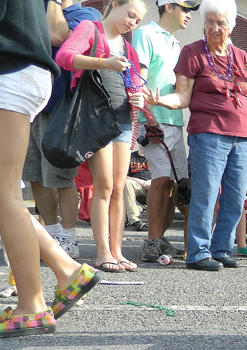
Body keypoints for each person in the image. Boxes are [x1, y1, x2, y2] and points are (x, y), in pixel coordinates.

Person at [0, 0, 100, 338]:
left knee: (3, 195)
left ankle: (31, 306)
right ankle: (67, 269)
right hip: (9, 72)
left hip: (8, 73)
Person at [146, 0, 247, 271]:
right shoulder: (192, 52)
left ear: (231, 26)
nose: (215, 28)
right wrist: (161, 102)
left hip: (242, 134)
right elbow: (183, 96)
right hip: (208, 133)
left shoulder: (242, 56)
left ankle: (221, 249)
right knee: (206, 195)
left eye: (221, 23)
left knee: (234, 197)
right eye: (210, 22)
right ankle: (198, 253)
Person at [56, 0, 147, 273]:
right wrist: (105, 62)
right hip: (96, 118)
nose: (132, 23)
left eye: (138, 21)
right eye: (130, 15)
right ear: (115, 5)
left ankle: (117, 252)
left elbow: (132, 81)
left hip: (123, 119)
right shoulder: (90, 28)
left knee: (119, 189)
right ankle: (102, 252)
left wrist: (139, 98)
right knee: (104, 186)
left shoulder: (128, 47)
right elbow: (64, 57)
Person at [23, 0, 102, 261]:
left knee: (60, 177)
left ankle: (69, 239)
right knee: (35, 175)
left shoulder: (86, 14)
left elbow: (57, 36)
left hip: (59, 108)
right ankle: (53, 235)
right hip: (29, 103)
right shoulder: (36, 10)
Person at [133, 0, 197, 264]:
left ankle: (158, 239)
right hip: (153, 120)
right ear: (168, 7)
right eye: (186, 9)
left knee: (172, 183)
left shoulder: (175, 44)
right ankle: (151, 241)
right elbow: (139, 79)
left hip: (174, 120)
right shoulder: (145, 34)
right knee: (161, 179)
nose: (189, 15)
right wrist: (147, 118)